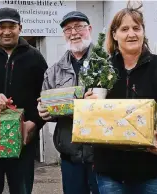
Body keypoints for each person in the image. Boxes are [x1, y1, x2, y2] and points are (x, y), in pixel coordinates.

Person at [84, 4, 157, 194]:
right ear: (114, 34)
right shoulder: (101, 71)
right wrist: (88, 104)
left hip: (153, 173)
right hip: (111, 174)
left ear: (143, 32)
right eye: (124, 29)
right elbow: (90, 115)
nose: (131, 34)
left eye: (136, 28)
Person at [0, 7, 48, 194]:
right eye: (1, 26)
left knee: (21, 189)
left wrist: (35, 123)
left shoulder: (34, 57)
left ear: (20, 27)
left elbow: (46, 96)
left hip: (23, 139)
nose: (6, 31)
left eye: (11, 26)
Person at [37, 11, 99, 194]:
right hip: (70, 153)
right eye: (68, 29)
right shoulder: (54, 71)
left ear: (89, 29)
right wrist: (44, 112)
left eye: (79, 26)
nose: (74, 32)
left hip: (102, 155)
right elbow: (48, 105)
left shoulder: (107, 64)